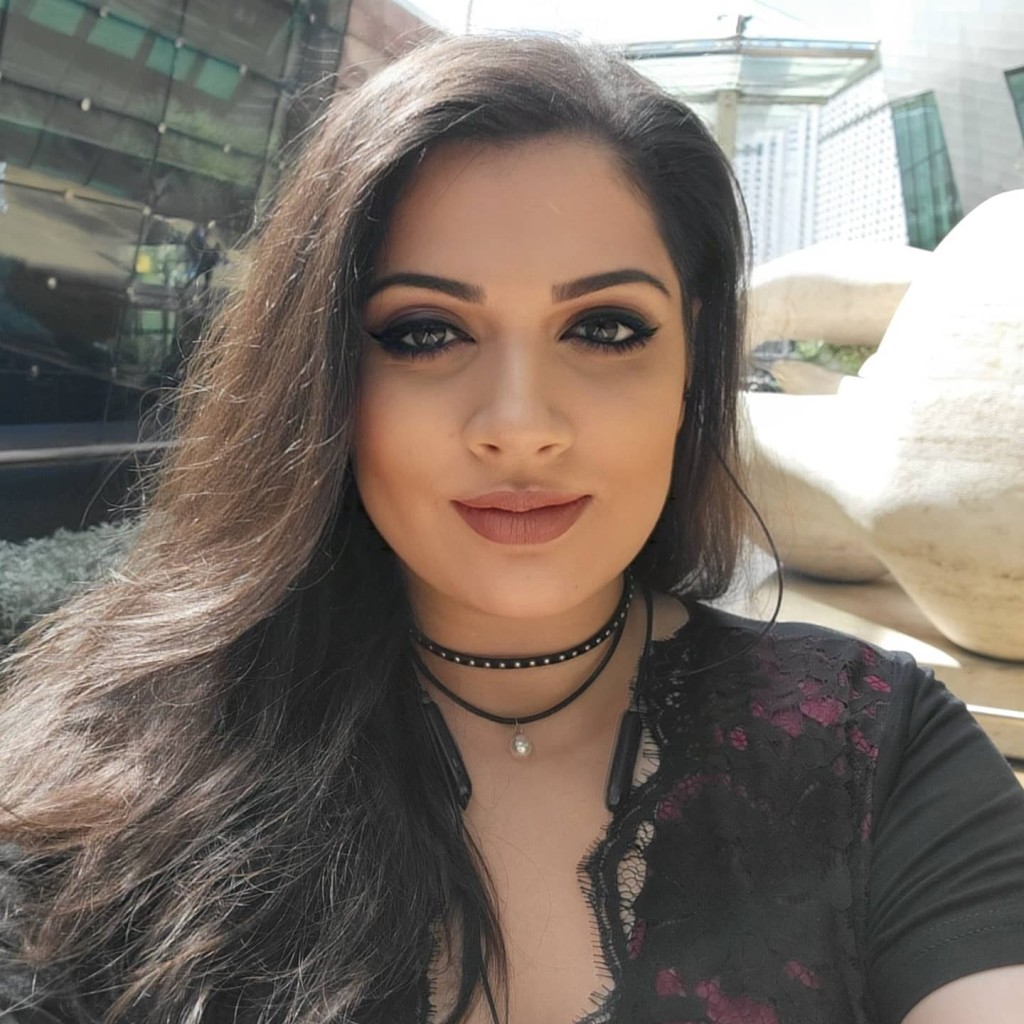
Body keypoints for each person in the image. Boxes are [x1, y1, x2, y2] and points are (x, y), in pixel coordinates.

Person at [1, 32, 1023, 1024]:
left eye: (604, 328)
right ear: (324, 377)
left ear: (690, 364)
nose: (521, 425)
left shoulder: (876, 751)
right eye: (426, 333)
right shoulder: (103, 773)